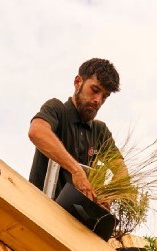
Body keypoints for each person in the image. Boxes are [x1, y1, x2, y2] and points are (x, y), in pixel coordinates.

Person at [28, 58, 122, 202]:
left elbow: (121, 172)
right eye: (95, 90)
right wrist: (76, 170)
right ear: (78, 82)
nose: (98, 100)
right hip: (37, 209)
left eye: (104, 96)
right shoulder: (56, 109)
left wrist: (107, 198)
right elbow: (37, 132)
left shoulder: (100, 131)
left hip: (74, 221)